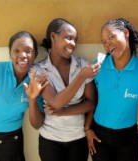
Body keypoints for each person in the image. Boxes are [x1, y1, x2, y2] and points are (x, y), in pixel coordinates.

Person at [27, 18, 100, 161]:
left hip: (78, 138)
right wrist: (81, 77)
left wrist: (64, 111)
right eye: (68, 38)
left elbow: (91, 102)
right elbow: (55, 102)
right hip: (50, 139)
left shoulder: (83, 65)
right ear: (53, 37)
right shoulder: (38, 70)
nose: (73, 44)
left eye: (75, 40)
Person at [85, 18, 138, 161]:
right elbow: (91, 100)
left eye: (111, 37)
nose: (108, 44)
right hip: (99, 136)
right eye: (104, 42)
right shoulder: (98, 66)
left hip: (128, 138)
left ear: (125, 33)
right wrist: (88, 129)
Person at [0, 31, 47, 161]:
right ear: (10, 54)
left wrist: (32, 98)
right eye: (16, 51)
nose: (22, 55)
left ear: (35, 54)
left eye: (28, 51)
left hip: (13, 140)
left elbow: (37, 124)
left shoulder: (35, 81)